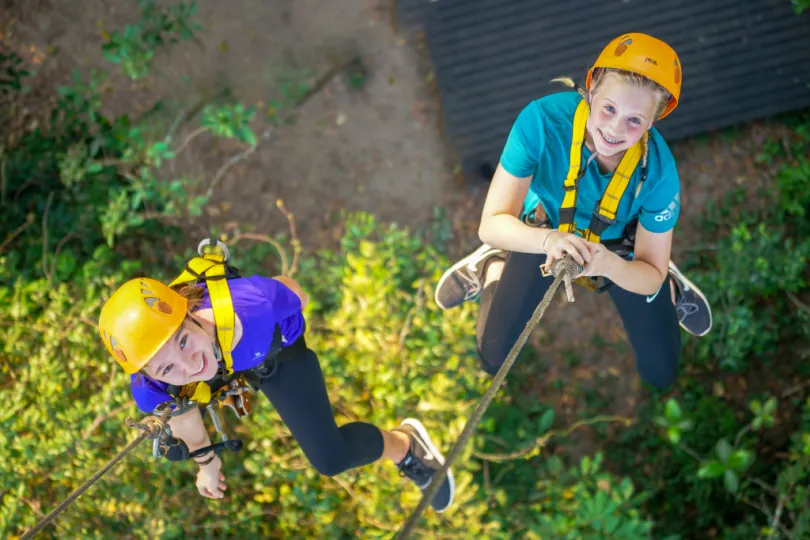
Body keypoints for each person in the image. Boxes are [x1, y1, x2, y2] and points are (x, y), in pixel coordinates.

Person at [434, 33, 712, 389]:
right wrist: (548, 240)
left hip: (620, 249)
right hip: (545, 230)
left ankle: (671, 284)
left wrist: (610, 264)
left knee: (662, 372)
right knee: (493, 357)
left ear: (653, 122)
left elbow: (648, 275)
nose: (613, 130)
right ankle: (495, 265)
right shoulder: (541, 122)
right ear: (592, 88)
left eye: (634, 121)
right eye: (609, 108)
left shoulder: (658, 174)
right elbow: (492, 223)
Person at [98, 272, 454, 512]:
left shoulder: (253, 306)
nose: (188, 366)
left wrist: (276, 329)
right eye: (166, 368)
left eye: (183, 340)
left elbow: (293, 291)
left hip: (274, 352)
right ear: (149, 375)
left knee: (330, 460)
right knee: (197, 375)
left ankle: (406, 447)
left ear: (190, 314)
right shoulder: (152, 388)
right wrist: (206, 463)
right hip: (230, 362)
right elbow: (184, 409)